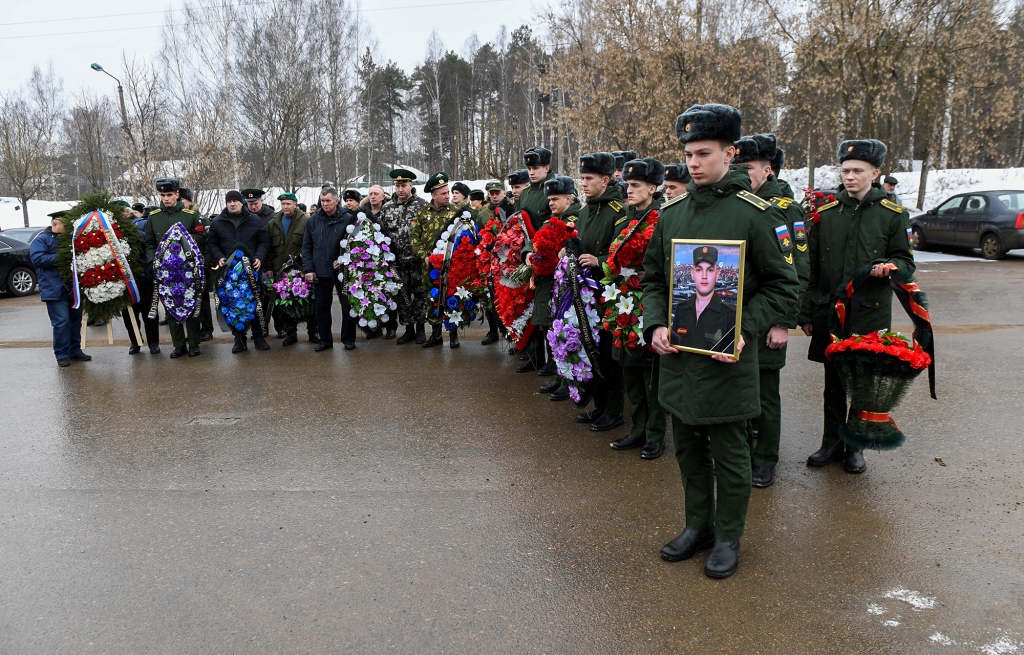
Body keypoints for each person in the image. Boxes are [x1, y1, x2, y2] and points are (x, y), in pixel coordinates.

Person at [642, 104, 798, 578]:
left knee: (730, 455)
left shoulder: (755, 215)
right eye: (688, 153)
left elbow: (784, 286)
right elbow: (653, 280)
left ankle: (729, 536)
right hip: (680, 359)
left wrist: (742, 326)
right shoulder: (671, 215)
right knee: (688, 448)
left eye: (703, 153)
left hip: (727, 360)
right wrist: (655, 325)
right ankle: (698, 526)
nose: (693, 162)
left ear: (730, 154)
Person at [799, 139, 915, 475]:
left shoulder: (891, 215)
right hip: (831, 312)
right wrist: (806, 313)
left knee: (863, 381)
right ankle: (831, 442)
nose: (850, 176)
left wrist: (889, 266)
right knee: (833, 380)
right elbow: (812, 270)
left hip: (870, 312)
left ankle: (855, 446)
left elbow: (906, 263)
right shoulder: (825, 215)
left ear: (875, 173)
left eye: (857, 171)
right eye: (846, 170)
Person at [733, 133, 811, 488]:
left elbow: (798, 270)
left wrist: (783, 322)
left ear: (767, 170)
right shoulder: (737, 203)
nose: (740, 173)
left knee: (765, 391)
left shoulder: (783, 209)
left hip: (768, 318)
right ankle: (745, 451)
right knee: (740, 387)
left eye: (747, 168)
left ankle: (765, 459)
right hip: (736, 314)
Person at [609, 157, 667, 459]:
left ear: (653, 188)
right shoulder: (627, 220)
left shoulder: (664, 218)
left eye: (635, 185)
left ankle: (655, 434)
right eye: (627, 185)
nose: (628, 190)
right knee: (629, 368)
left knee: (650, 373)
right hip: (625, 303)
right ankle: (638, 428)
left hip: (649, 302)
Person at [573, 152, 628, 433]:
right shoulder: (584, 212)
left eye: (589, 178)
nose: (583, 183)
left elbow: (624, 253)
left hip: (609, 292)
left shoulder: (619, 211)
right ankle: (599, 405)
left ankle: (615, 410)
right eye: (582, 178)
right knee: (591, 348)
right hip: (586, 294)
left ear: (605, 180)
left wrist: (600, 261)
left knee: (609, 353)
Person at [523, 174, 581, 382]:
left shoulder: (576, 219)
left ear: (569, 198)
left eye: (556, 199)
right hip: (548, 284)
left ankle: (568, 379)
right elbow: (536, 240)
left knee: (566, 332)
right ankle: (558, 373)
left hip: (568, 287)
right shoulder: (552, 221)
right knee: (552, 328)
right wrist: (528, 253)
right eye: (549, 199)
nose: (551, 203)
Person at [145, 177, 207, 358]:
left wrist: (182, 244)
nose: (166, 198)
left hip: (187, 269)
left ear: (177, 194)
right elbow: (149, 242)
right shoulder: (154, 217)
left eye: (169, 194)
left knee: (190, 304)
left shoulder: (189, 215)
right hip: (166, 271)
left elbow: (202, 237)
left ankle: (194, 344)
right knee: (171, 307)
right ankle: (179, 345)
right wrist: (152, 262)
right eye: (163, 195)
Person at [208, 190, 272, 353]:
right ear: (226, 203)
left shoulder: (255, 220)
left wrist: (259, 257)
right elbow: (212, 243)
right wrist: (219, 257)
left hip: (251, 270)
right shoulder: (217, 222)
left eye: (236, 201)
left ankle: (258, 337)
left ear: (241, 202)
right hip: (228, 272)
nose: (233, 203)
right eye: (230, 201)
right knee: (231, 303)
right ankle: (239, 338)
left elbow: (264, 242)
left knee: (255, 302)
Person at [30, 211, 92, 367]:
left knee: (75, 320)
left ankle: (74, 349)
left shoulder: (69, 240)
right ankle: (61, 353)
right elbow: (37, 259)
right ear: (55, 224)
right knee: (61, 321)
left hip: (72, 288)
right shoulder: (42, 240)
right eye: (66, 225)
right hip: (53, 289)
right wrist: (62, 257)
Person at [515, 147, 557, 374]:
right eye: (529, 168)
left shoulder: (555, 188)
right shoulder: (526, 193)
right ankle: (533, 356)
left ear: (547, 168)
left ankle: (553, 359)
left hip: (548, 257)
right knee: (529, 307)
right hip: (528, 256)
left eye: (536, 168)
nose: (531, 172)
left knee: (547, 310)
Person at [410, 172, 462, 348]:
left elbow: (465, 237)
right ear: (433, 195)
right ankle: (436, 334)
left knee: (452, 298)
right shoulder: (423, 213)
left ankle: (453, 335)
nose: (447, 196)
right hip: (430, 267)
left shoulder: (457, 212)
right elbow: (414, 236)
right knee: (432, 298)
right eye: (443, 193)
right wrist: (423, 255)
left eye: (448, 192)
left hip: (452, 266)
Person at [303, 187, 358, 351]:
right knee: (322, 308)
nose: (324, 204)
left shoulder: (350, 219)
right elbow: (306, 247)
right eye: (322, 201)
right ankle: (325, 340)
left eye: (328, 201)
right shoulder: (312, 220)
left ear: (336, 201)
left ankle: (348, 339)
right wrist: (308, 269)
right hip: (320, 271)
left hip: (343, 272)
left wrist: (344, 259)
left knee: (346, 305)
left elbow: (357, 246)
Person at [379, 168, 428, 344]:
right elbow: (382, 236)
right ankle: (408, 329)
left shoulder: (422, 205)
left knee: (420, 295)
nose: (400, 189)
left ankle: (421, 328)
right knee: (403, 297)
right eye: (398, 185)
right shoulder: (387, 208)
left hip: (417, 261)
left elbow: (427, 234)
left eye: (404, 185)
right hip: (397, 262)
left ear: (411, 186)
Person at [267, 192, 317, 346]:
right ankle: (291, 333)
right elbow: (269, 247)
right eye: (283, 204)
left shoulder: (306, 221)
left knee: (308, 303)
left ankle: (313, 332)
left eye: (288, 204)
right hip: (280, 270)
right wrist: (269, 267)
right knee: (284, 304)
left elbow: (311, 245)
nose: (285, 207)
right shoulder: (273, 223)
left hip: (300, 269)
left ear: (295, 204)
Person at [670, 247, 737, 351]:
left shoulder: (730, 313)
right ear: (692, 273)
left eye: (710, 270)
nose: (704, 276)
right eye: (699, 270)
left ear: (717, 274)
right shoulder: (681, 308)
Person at [122, 205, 161, 355]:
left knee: (149, 312)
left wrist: (131, 233)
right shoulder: (111, 229)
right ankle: (135, 342)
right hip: (125, 280)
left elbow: (150, 241)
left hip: (144, 276)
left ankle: (153, 343)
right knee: (129, 314)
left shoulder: (142, 223)